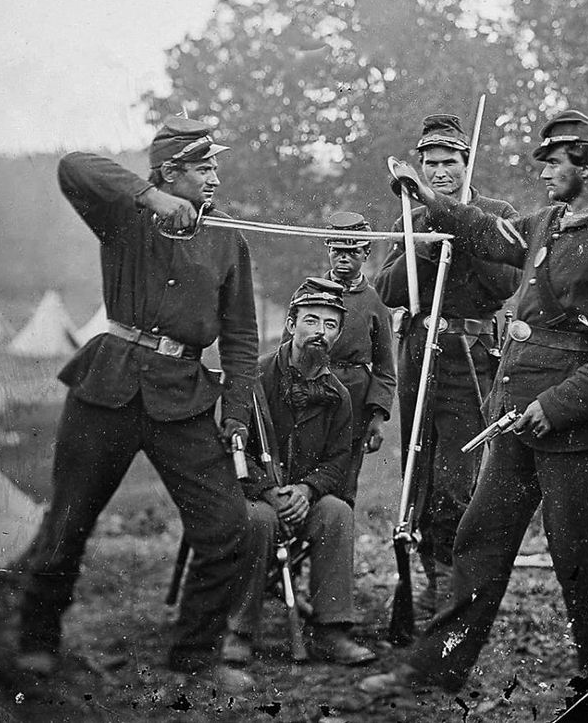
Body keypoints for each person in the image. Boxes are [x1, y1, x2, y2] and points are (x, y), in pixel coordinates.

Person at [363, 109, 588, 694]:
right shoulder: (549, 223)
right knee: (480, 539)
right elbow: (486, 233)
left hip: (567, 425)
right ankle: (437, 667)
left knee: (575, 554)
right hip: (516, 418)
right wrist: (425, 198)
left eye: (555, 162)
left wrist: (555, 407)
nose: (543, 171)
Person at [16, 117, 259, 691]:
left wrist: (239, 411)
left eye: (215, 167)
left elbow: (242, 338)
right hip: (109, 385)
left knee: (228, 527)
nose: (215, 178)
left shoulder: (228, 237)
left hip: (184, 397)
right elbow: (74, 164)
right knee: (69, 520)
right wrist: (148, 198)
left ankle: (196, 653)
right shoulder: (124, 216)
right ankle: (35, 640)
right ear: (170, 173)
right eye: (203, 168)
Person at [375, 114, 519, 616]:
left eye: (449, 163)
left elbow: (503, 285)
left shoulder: (494, 213)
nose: (439, 172)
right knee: (419, 473)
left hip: (469, 356)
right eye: (430, 164)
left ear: (467, 162)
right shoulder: (406, 217)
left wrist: (453, 223)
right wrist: (424, 239)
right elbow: (388, 291)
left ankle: (453, 594)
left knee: (457, 476)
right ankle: (426, 583)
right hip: (418, 353)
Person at [221, 277, 376, 666]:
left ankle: (331, 630)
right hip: (255, 497)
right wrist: (269, 491)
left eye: (329, 326)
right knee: (258, 521)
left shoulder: (338, 395)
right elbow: (232, 450)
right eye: (311, 321)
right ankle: (238, 630)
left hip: (304, 500)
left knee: (337, 513)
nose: (319, 333)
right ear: (291, 325)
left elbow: (339, 461)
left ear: (338, 334)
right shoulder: (254, 380)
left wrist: (307, 491)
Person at [280, 211, 396, 505]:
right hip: (308, 393)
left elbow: (385, 368)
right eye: (337, 251)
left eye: (352, 252)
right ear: (328, 251)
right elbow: (286, 348)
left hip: (353, 400)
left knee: (343, 479)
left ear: (366, 253)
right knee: (298, 473)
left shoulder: (376, 301)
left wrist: (377, 417)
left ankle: (336, 538)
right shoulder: (307, 293)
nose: (343, 259)